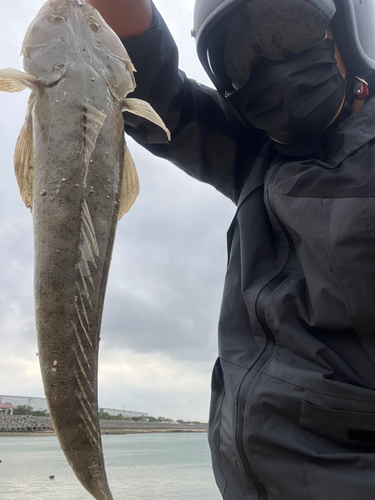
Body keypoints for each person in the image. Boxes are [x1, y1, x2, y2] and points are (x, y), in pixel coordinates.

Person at [87, 0, 375, 498]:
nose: (267, 64)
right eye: (240, 59)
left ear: (348, 36)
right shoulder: (258, 158)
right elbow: (153, 87)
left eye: (286, 32)